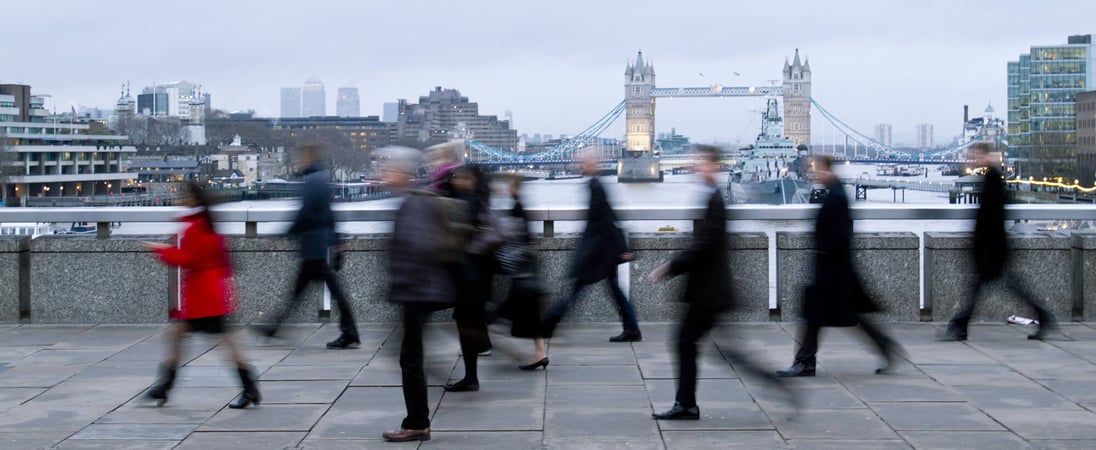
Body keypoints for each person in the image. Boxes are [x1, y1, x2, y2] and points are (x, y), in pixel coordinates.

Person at [648, 146, 789, 419]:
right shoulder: (711, 196)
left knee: (687, 343)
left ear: (713, 165)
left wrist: (670, 266)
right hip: (710, 290)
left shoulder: (714, 199)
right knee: (717, 350)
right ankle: (688, 402)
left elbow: (704, 246)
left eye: (702, 162)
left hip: (708, 292)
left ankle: (687, 404)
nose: (696, 166)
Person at [776, 154, 902, 377]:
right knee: (849, 317)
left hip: (831, 270)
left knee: (815, 316)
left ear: (828, 170)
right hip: (836, 268)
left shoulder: (836, 197)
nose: (815, 175)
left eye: (817, 170)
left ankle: (805, 362)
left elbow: (839, 235)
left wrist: (824, 255)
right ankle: (885, 346)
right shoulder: (836, 192)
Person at [142, 181, 260, 409]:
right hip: (210, 293)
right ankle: (164, 386)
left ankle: (248, 387)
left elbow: (190, 259)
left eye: (184, 195)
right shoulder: (207, 224)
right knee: (190, 336)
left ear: (194, 200)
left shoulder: (196, 227)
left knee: (219, 341)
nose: (180, 199)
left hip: (204, 297)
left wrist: (160, 250)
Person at [379, 146, 461, 443]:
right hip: (421, 289)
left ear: (402, 173)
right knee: (410, 355)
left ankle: (417, 423)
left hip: (417, 291)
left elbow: (419, 248)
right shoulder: (414, 200)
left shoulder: (413, 204)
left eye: (388, 168)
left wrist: (401, 283)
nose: (383, 173)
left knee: (410, 358)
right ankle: (418, 419)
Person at [939, 143, 1058, 341]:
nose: (974, 160)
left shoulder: (992, 179)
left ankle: (959, 325)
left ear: (986, 156)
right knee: (1000, 288)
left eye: (977, 156)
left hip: (992, 248)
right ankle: (1043, 317)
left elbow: (991, 217)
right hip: (993, 247)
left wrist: (982, 245)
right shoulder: (992, 177)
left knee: (982, 289)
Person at [253, 144, 360, 349]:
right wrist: (336, 240)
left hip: (314, 246)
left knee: (318, 292)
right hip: (318, 245)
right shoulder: (320, 178)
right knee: (304, 291)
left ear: (308, 157)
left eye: (300, 157)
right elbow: (328, 214)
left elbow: (305, 213)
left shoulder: (313, 180)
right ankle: (273, 327)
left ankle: (350, 331)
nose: (297, 161)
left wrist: (282, 234)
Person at [541, 151, 642, 342]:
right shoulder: (595, 185)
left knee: (575, 290)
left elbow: (606, 220)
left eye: (586, 162)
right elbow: (609, 218)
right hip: (603, 251)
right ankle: (632, 329)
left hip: (597, 253)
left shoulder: (596, 186)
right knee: (613, 291)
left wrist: (621, 249)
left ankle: (548, 325)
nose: (582, 165)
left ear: (593, 165)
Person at [444, 165, 498, 393]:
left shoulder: (471, 203)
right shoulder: (476, 200)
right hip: (474, 276)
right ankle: (470, 374)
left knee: (467, 323)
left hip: (471, 276)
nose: (455, 181)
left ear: (472, 181)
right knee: (468, 323)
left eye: (460, 178)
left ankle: (471, 376)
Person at [492, 175, 549, 370]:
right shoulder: (520, 205)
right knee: (530, 315)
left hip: (521, 273)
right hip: (527, 271)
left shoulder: (516, 207)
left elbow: (512, 237)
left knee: (498, 315)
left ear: (513, 186)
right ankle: (540, 353)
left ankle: (480, 344)